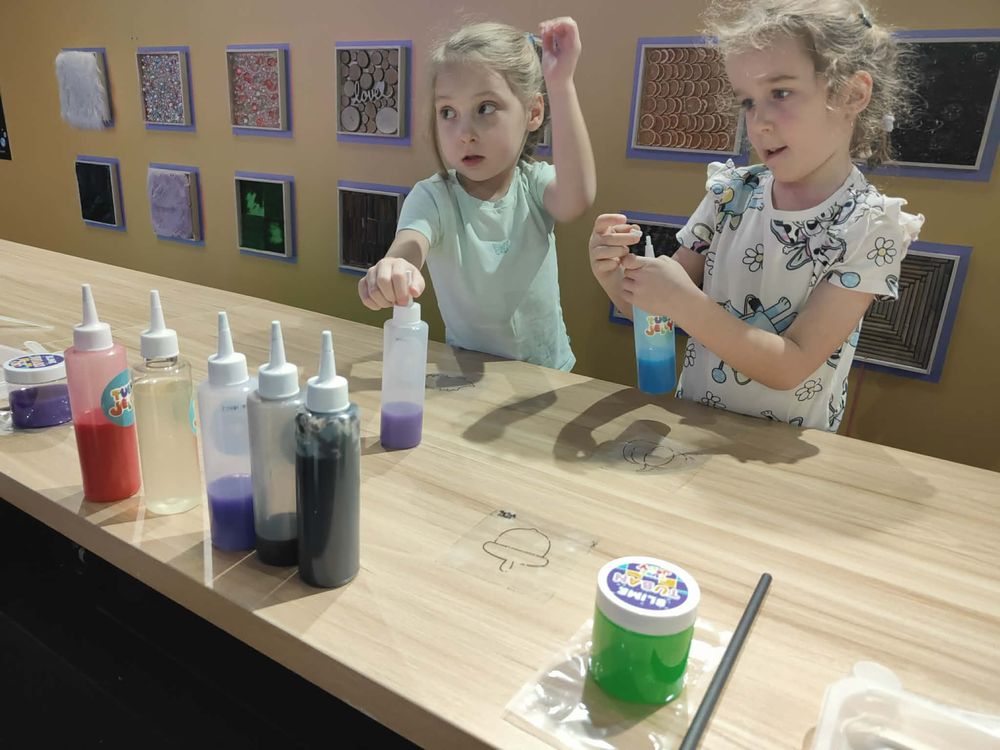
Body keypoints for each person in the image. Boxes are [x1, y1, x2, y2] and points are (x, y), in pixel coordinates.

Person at [589, 0, 923, 430]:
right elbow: (656, 312)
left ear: (852, 94)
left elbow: (791, 366)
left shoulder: (870, 226)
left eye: (780, 93)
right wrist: (613, 274)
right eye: (747, 101)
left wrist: (681, 300)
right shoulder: (732, 193)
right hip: (692, 429)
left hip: (780, 448)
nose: (759, 122)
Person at [359, 17, 596, 371]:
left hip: (548, 374)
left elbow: (577, 199)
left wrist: (561, 85)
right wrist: (394, 268)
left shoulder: (534, 184)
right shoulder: (432, 198)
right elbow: (408, 248)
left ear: (533, 112)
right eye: (448, 112)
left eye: (485, 108)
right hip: (468, 376)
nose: (464, 133)